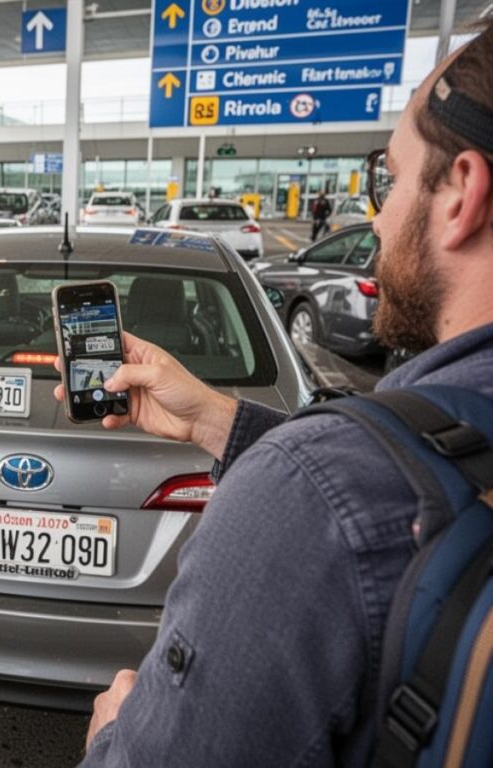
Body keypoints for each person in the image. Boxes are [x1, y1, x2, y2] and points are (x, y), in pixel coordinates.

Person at [58, 19, 493, 767]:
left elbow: (349, 509)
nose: (377, 218)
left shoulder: (305, 496)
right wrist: (224, 423)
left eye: (388, 179)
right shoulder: (330, 481)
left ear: (461, 192)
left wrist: (109, 738)